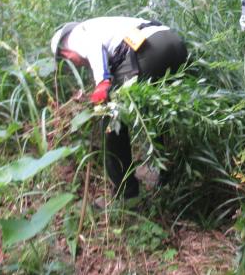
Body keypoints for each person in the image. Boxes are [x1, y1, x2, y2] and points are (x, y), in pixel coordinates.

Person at [50, 16, 188, 199]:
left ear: (66, 53)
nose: (76, 64)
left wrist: (102, 82)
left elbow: (93, 45)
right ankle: (160, 172)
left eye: (70, 61)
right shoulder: (103, 24)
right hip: (173, 43)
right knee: (151, 109)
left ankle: (125, 194)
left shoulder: (75, 36)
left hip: (148, 52)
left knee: (110, 119)